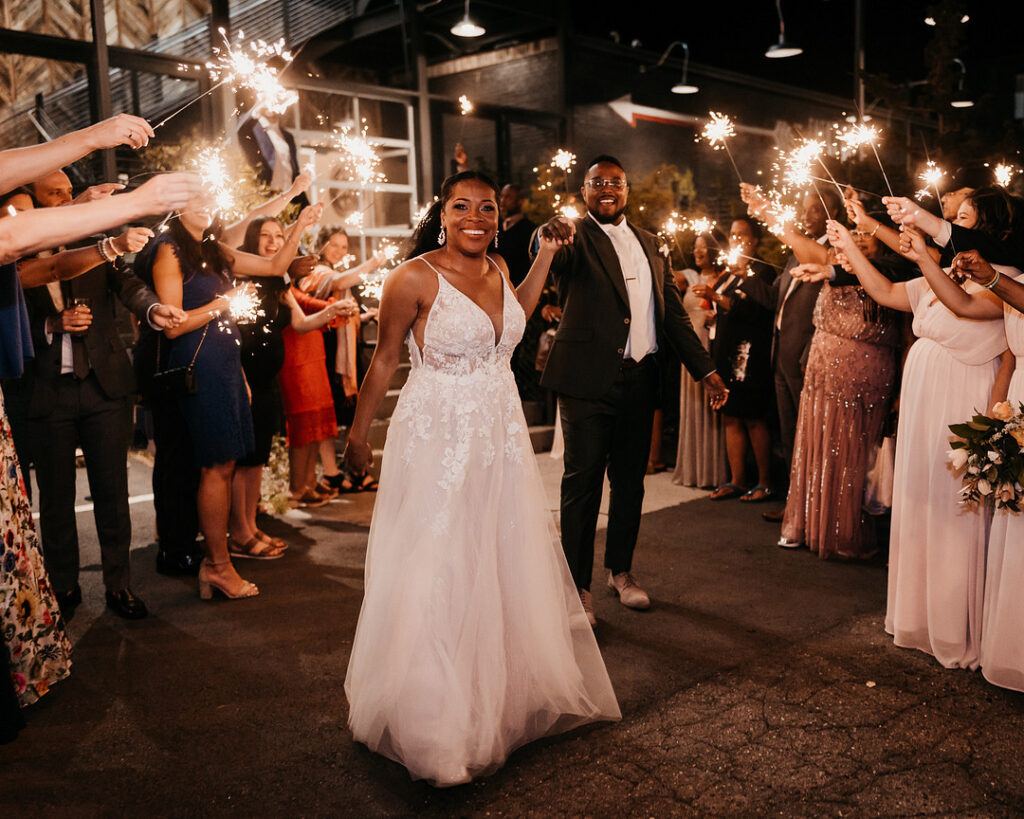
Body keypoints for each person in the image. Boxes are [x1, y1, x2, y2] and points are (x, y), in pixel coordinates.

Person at [342, 171, 620, 786]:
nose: (475, 216)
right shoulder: (411, 277)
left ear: (499, 217)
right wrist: (359, 436)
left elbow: (515, 319)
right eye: (461, 206)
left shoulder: (497, 265)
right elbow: (385, 357)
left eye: (487, 208)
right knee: (437, 562)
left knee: (495, 556)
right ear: (442, 213)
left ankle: (496, 696)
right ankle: (435, 725)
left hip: (497, 432)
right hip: (436, 434)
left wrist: (544, 253)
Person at [827, 189, 1015, 670]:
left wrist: (919, 252)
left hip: (964, 394)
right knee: (923, 501)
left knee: (957, 511)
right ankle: (921, 618)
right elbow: (888, 293)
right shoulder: (949, 271)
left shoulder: (1007, 281)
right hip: (925, 394)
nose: (951, 225)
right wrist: (850, 246)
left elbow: (967, 309)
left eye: (962, 220)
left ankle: (958, 626)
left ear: (987, 231)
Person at [537, 156, 728, 621]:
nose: (607, 189)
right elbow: (547, 253)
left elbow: (673, 315)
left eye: (615, 183)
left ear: (627, 190)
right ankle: (577, 589)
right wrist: (547, 233)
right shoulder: (572, 237)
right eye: (597, 182)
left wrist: (705, 370)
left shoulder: (650, 242)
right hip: (587, 382)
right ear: (584, 190)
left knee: (630, 485)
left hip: (640, 379)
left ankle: (620, 572)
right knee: (581, 486)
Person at [21, 171, 187, 621]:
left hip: (105, 385)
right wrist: (50, 326)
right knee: (55, 499)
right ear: (32, 203)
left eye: (68, 191)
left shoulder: (96, 238)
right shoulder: (14, 251)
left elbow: (128, 285)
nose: (67, 199)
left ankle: (119, 585)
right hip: (46, 390)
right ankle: (64, 587)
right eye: (54, 194)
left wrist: (153, 309)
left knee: (111, 493)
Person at [146, 198, 321, 599]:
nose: (206, 205)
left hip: (226, 363)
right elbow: (173, 325)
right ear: (175, 207)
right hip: (200, 364)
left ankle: (219, 563)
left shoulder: (216, 250)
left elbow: (276, 267)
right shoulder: (169, 249)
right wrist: (221, 305)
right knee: (215, 466)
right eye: (195, 199)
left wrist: (300, 225)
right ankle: (218, 566)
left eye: (209, 197)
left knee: (226, 465)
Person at [777, 217, 900, 559]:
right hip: (822, 369)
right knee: (816, 444)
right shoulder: (832, 263)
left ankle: (844, 532)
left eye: (866, 235)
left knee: (853, 454)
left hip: (867, 374)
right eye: (854, 234)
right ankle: (807, 524)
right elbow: (794, 236)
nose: (859, 240)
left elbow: (905, 334)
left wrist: (901, 392)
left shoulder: (891, 274)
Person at [939, 248, 1024, 692]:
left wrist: (992, 278)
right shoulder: (1017, 277)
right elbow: (1011, 354)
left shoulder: (1008, 282)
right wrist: (996, 417)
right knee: (1016, 523)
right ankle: (1013, 649)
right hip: (1020, 404)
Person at [696, 217, 776, 504]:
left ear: (755, 240)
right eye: (733, 234)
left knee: (753, 416)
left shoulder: (762, 271)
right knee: (731, 414)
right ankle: (737, 480)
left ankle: (765, 482)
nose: (737, 239)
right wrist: (715, 313)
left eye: (743, 235)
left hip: (750, 354)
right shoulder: (728, 273)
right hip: (726, 352)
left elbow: (757, 309)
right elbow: (727, 308)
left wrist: (715, 296)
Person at [672, 230, 727, 489]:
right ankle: (692, 468)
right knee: (691, 406)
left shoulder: (724, 279)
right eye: (695, 247)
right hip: (689, 351)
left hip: (709, 346)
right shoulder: (690, 276)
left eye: (704, 247)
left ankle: (712, 471)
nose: (698, 251)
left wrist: (718, 316)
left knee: (709, 406)